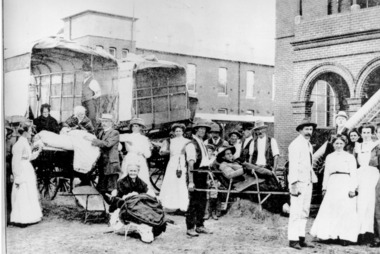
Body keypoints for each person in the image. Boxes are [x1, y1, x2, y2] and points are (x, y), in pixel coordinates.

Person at [310, 134, 359, 246]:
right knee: (331, 208)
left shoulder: (349, 157)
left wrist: (352, 188)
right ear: (333, 144)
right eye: (336, 143)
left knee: (345, 208)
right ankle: (328, 235)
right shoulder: (329, 157)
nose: (338, 145)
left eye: (341, 143)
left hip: (345, 182)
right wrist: (324, 187)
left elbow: (354, 174)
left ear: (345, 144)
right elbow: (326, 173)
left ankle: (344, 236)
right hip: (333, 183)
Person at [288, 118, 318, 250]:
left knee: (305, 211)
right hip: (298, 182)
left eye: (310, 129)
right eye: (306, 129)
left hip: (307, 182)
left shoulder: (308, 145)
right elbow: (293, 166)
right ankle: (293, 239)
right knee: (296, 211)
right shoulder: (295, 144)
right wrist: (293, 183)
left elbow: (308, 165)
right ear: (300, 130)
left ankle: (301, 238)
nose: (309, 132)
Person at [10, 121, 43, 226]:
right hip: (22, 169)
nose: (31, 133)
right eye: (29, 130)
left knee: (29, 191)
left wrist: (38, 151)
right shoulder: (19, 144)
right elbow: (15, 162)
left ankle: (30, 217)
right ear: (24, 132)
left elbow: (29, 157)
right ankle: (21, 219)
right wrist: (17, 176)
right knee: (22, 192)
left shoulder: (25, 142)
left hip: (27, 168)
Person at [185, 119, 212, 237]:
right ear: (195, 130)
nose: (202, 130)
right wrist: (191, 181)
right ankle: (190, 227)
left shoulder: (202, 143)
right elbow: (191, 164)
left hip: (203, 174)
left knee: (202, 201)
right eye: (200, 128)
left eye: (204, 129)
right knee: (193, 202)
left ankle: (200, 225)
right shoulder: (191, 144)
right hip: (195, 174)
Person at [355, 123, 379, 245]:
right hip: (360, 175)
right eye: (364, 132)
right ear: (361, 133)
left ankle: (370, 234)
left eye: (368, 132)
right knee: (360, 204)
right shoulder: (357, 146)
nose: (366, 135)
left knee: (370, 204)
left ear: (372, 133)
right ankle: (359, 233)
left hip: (372, 175)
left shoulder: (376, 145)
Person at [159, 123, 191, 212]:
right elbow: (164, 151)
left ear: (183, 132)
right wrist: (166, 151)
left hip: (182, 160)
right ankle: (170, 204)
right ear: (174, 132)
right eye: (176, 131)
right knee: (171, 180)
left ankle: (182, 204)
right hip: (172, 162)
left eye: (180, 131)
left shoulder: (187, 141)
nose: (178, 132)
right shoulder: (170, 141)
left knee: (181, 180)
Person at [86, 114, 120, 194]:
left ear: (111, 123)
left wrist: (93, 140)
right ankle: (104, 204)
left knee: (112, 188)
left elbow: (107, 144)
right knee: (101, 188)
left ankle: (113, 204)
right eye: (103, 121)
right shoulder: (101, 132)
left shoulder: (115, 132)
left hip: (111, 164)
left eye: (106, 121)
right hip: (102, 164)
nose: (104, 123)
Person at [120, 117, 154, 191]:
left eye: (136, 126)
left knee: (141, 175)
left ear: (140, 127)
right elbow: (117, 138)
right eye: (133, 126)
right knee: (127, 174)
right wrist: (127, 142)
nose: (134, 128)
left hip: (139, 159)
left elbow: (148, 154)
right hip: (130, 158)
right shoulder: (127, 136)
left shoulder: (144, 139)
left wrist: (143, 152)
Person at [81, 63, 101, 128]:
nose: (85, 73)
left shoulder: (93, 81)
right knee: (85, 119)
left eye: (87, 71)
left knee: (91, 118)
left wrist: (93, 97)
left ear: (90, 72)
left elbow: (99, 92)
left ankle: (94, 134)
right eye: (84, 71)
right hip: (84, 102)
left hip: (91, 103)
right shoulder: (83, 81)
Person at [370, 124, 380, 247]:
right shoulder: (375, 148)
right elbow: (372, 164)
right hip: (378, 178)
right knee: (377, 208)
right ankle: (378, 238)